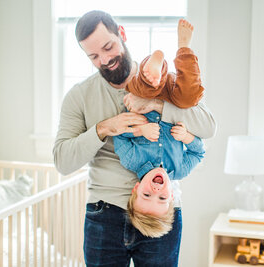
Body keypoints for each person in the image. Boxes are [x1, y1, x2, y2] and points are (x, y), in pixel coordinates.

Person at [53, 10, 216, 267]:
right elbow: (63, 162)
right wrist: (104, 128)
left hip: (160, 215)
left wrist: (156, 105)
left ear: (123, 34)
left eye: (108, 47)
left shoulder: (163, 83)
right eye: (94, 56)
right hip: (105, 211)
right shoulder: (79, 96)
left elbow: (208, 127)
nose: (105, 60)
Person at [114, 119, 205, 237]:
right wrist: (185, 136)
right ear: (172, 195)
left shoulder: (130, 159)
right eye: (162, 198)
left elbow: (118, 134)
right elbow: (198, 153)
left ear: (136, 189)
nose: (155, 191)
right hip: (176, 110)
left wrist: (141, 130)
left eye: (146, 195)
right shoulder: (180, 170)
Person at [126, 19, 204, 109]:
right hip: (168, 98)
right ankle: (155, 70)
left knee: (145, 87)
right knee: (188, 97)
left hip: (166, 90)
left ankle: (154, 71)